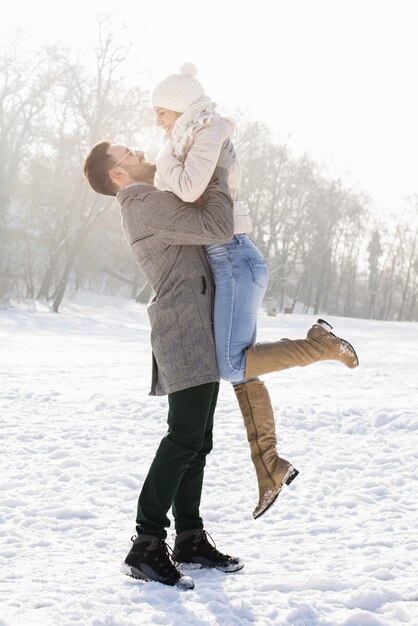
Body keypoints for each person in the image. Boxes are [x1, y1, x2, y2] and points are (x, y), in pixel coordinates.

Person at [83, 139, 358, 589]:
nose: (137, 151)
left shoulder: (148, 200)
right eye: (127, 152)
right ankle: (146, 543)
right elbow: (214, 224)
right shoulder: (144, 203)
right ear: (117, 174)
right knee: (184, 437)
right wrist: (215, 176)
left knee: (198, 440)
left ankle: (189, 538)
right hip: (184, 330)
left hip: (195, 326)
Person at [151, 64, 359, 519]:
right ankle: (270, 467)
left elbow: (187, 189)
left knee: (232, 364)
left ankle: (319, 345)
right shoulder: (193, 139)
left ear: (182, 108)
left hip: (235, 258)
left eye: (162, 112)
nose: (158, 122)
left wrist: (162, 156)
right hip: (227, 261)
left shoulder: (208, 133)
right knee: (239, 366)